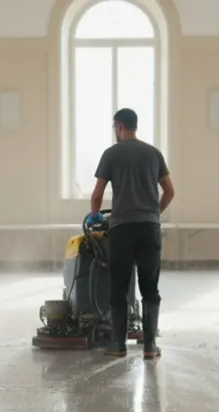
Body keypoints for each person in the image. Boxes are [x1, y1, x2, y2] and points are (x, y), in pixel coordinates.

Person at [89, 107, 174, 359]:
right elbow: (170, 191)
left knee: (118, 286)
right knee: (150, 287)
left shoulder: (111, 154)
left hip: (122, 229)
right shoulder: (153, 153)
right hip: (149, 228)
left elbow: (97, 194)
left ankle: (118, 344)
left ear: (118, 126)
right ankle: (149, 346)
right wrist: (154, 213)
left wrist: (95, 217)